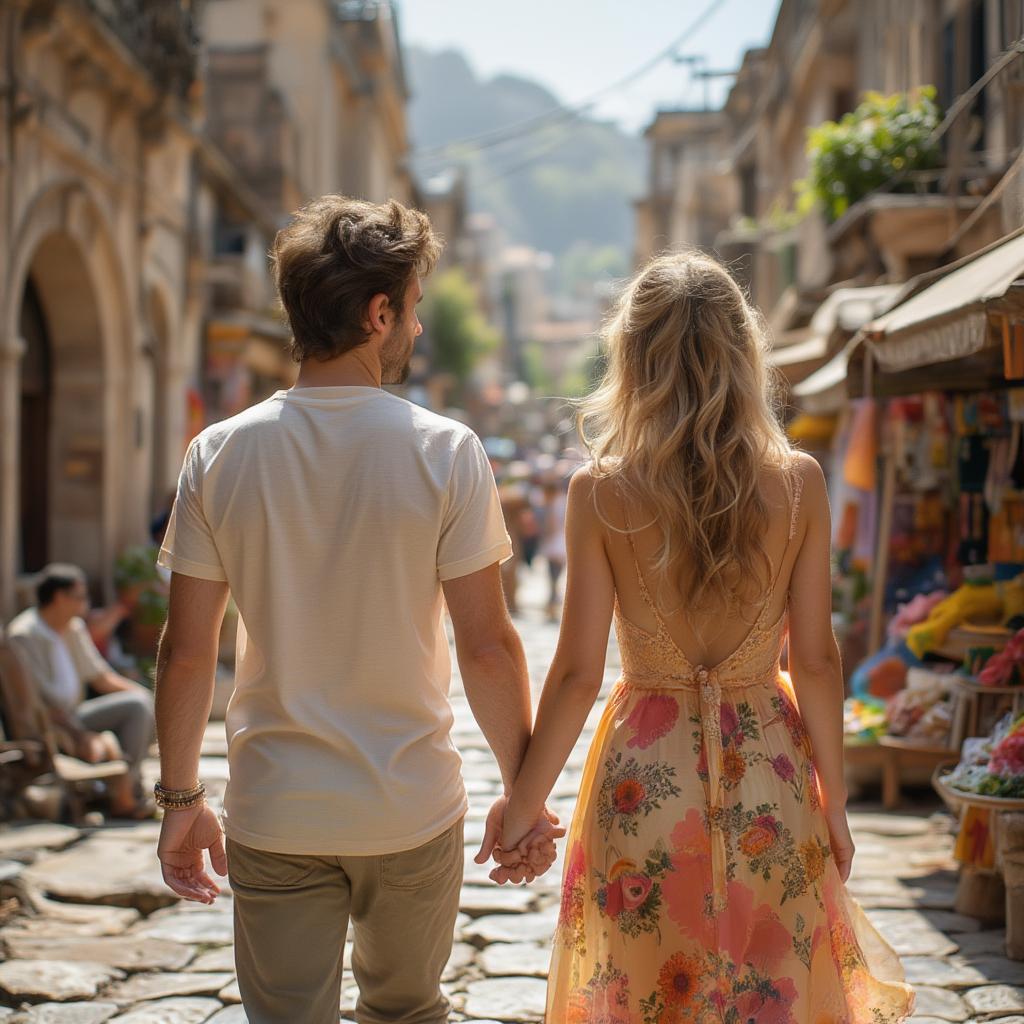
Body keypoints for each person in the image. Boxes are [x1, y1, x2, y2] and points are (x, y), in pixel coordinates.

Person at [152, 195, 562, 1024]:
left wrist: (180, 799)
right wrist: (522, 793)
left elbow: (187, 651)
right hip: (409, 805)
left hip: (275, 807)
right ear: (379, 313)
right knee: (407, 1010)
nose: (415, 330)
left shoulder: (219, 453)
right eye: (411, 311)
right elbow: (488, 647)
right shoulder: (445, 451)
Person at [486, 253, 915, 1021]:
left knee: (651, 989)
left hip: (643, 781)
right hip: (771, 776)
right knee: (771, 990)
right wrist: (837, 803)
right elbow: (815, 660)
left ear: (632, 356)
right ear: (745, 353)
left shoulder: (600, 490)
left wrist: (522, 806)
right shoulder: (800, 483)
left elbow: (578, 673)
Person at [7, 564, 156, 818]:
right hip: (52, 723)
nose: (85, 604)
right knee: (135, 709)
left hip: (76, 712)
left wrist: (152, 699)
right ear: (59, 598)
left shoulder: (72, 628)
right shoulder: (24, 635)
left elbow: (101, 677)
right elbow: (35, 702)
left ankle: (126, 788)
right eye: (79, 596)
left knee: (139, 704)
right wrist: (80, 734)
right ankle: (123, 795)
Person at [540, 476, 568, 621]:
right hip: (561, 542)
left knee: (553, 577)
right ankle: (552, 606)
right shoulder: (564, 501)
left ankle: (552, 606)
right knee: (555, 577)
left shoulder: (553, 503)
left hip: (555, 543)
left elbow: (551, 525)